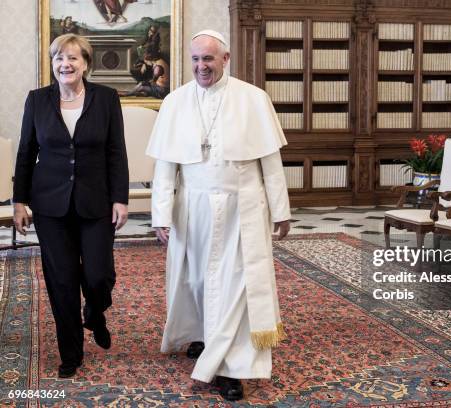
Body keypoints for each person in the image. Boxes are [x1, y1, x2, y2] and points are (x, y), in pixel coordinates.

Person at [146, 29, 291, 401]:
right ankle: (205, 336)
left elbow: (271, 165)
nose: (201, 66)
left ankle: (230, 368)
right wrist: (161, 214)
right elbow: (166, 167)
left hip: (242, 208)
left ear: (225, 59)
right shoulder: (175, 101)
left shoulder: (253, 99)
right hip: (192, 207)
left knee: (234, 288)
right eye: (195, 59)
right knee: (195, 281)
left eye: (208, 59)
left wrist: (281, 210)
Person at [13, 34, 129, 378]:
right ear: (52, 64)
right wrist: (20, 200)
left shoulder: (106, 98)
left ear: (86, 64)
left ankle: (95, 312)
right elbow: (25, 152)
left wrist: (119, 198)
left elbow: (116, 151)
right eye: (60, 58)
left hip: (96, 202)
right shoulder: (37, 101)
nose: (66, 64)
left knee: (98, 275)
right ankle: (71, 353)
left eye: (74, 58)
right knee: (61, 279)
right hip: (50, 204)